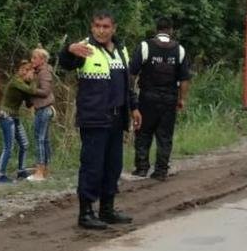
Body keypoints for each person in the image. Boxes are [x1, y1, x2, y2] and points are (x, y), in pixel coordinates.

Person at [59, 11, 141, 229]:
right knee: (92, 167)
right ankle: (85, 213)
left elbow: (127, 84)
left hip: (117, 118)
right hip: (94, 118)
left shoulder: (121, 50)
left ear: (114, 28)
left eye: (106, 26)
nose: (101, 30)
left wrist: (134, 108)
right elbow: (66, 63)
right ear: (92, 27)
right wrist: (67, 50)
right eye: (97, 26)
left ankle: (107, 209)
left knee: (113, 166)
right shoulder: (84, 48)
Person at [129, 17, 191, 180]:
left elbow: (132, 73)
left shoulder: (145, 46)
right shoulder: (180, 49)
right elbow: (185, 79)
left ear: (156, 29)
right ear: (171, 30)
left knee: (143, 132)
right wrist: (182, 99)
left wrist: (131, 94)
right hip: (169, 99)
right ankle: (161, 170)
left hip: (147, 98)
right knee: (165, 135)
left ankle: (142, 168)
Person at [0, 61, 38, 184]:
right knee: (8, 147)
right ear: (25, 71)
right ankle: (0, 175)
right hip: (6, 116)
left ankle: (21, 170)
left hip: (15, 117)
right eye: (32, 73)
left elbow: (29, 103)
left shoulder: (23, 84)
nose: (33, 76)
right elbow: (32, 91)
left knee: (24, 144)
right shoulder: (16, 81)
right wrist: (34, 81)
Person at [26, 47, 55, 182]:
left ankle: (40, 171)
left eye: (34, 58)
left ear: (42, 60)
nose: (32, 60)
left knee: (40, 139)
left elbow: (45, 91)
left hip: (44, 109)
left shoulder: (44, 73)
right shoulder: (39, 72)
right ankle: (44, 169)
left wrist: (30, 89)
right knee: (44, 139)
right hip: (41, 109)